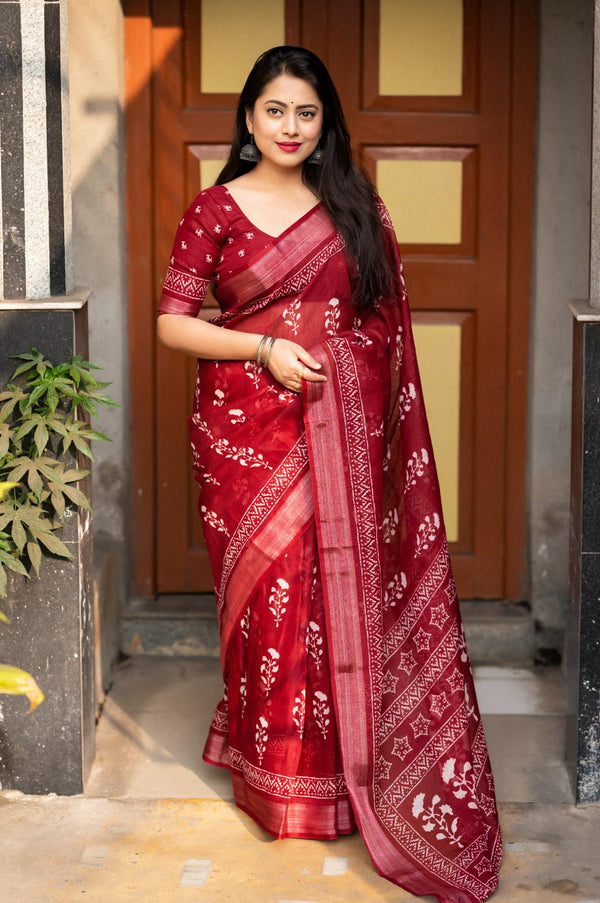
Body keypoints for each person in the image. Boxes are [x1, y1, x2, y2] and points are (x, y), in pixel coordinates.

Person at [157, 45, 501, 903]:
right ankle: (276, 780)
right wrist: (266, 347)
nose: (290, 128)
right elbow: (174, 326)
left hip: (339, 433)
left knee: (334, 593)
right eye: (275, 110)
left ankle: (348, 779)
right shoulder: (214, 210)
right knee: (273, 603)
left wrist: (340, 369)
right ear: (248, 117)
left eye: (306, 113)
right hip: (247, 435)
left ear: (325, 124)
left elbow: (384, 323)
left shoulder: (354, 206)